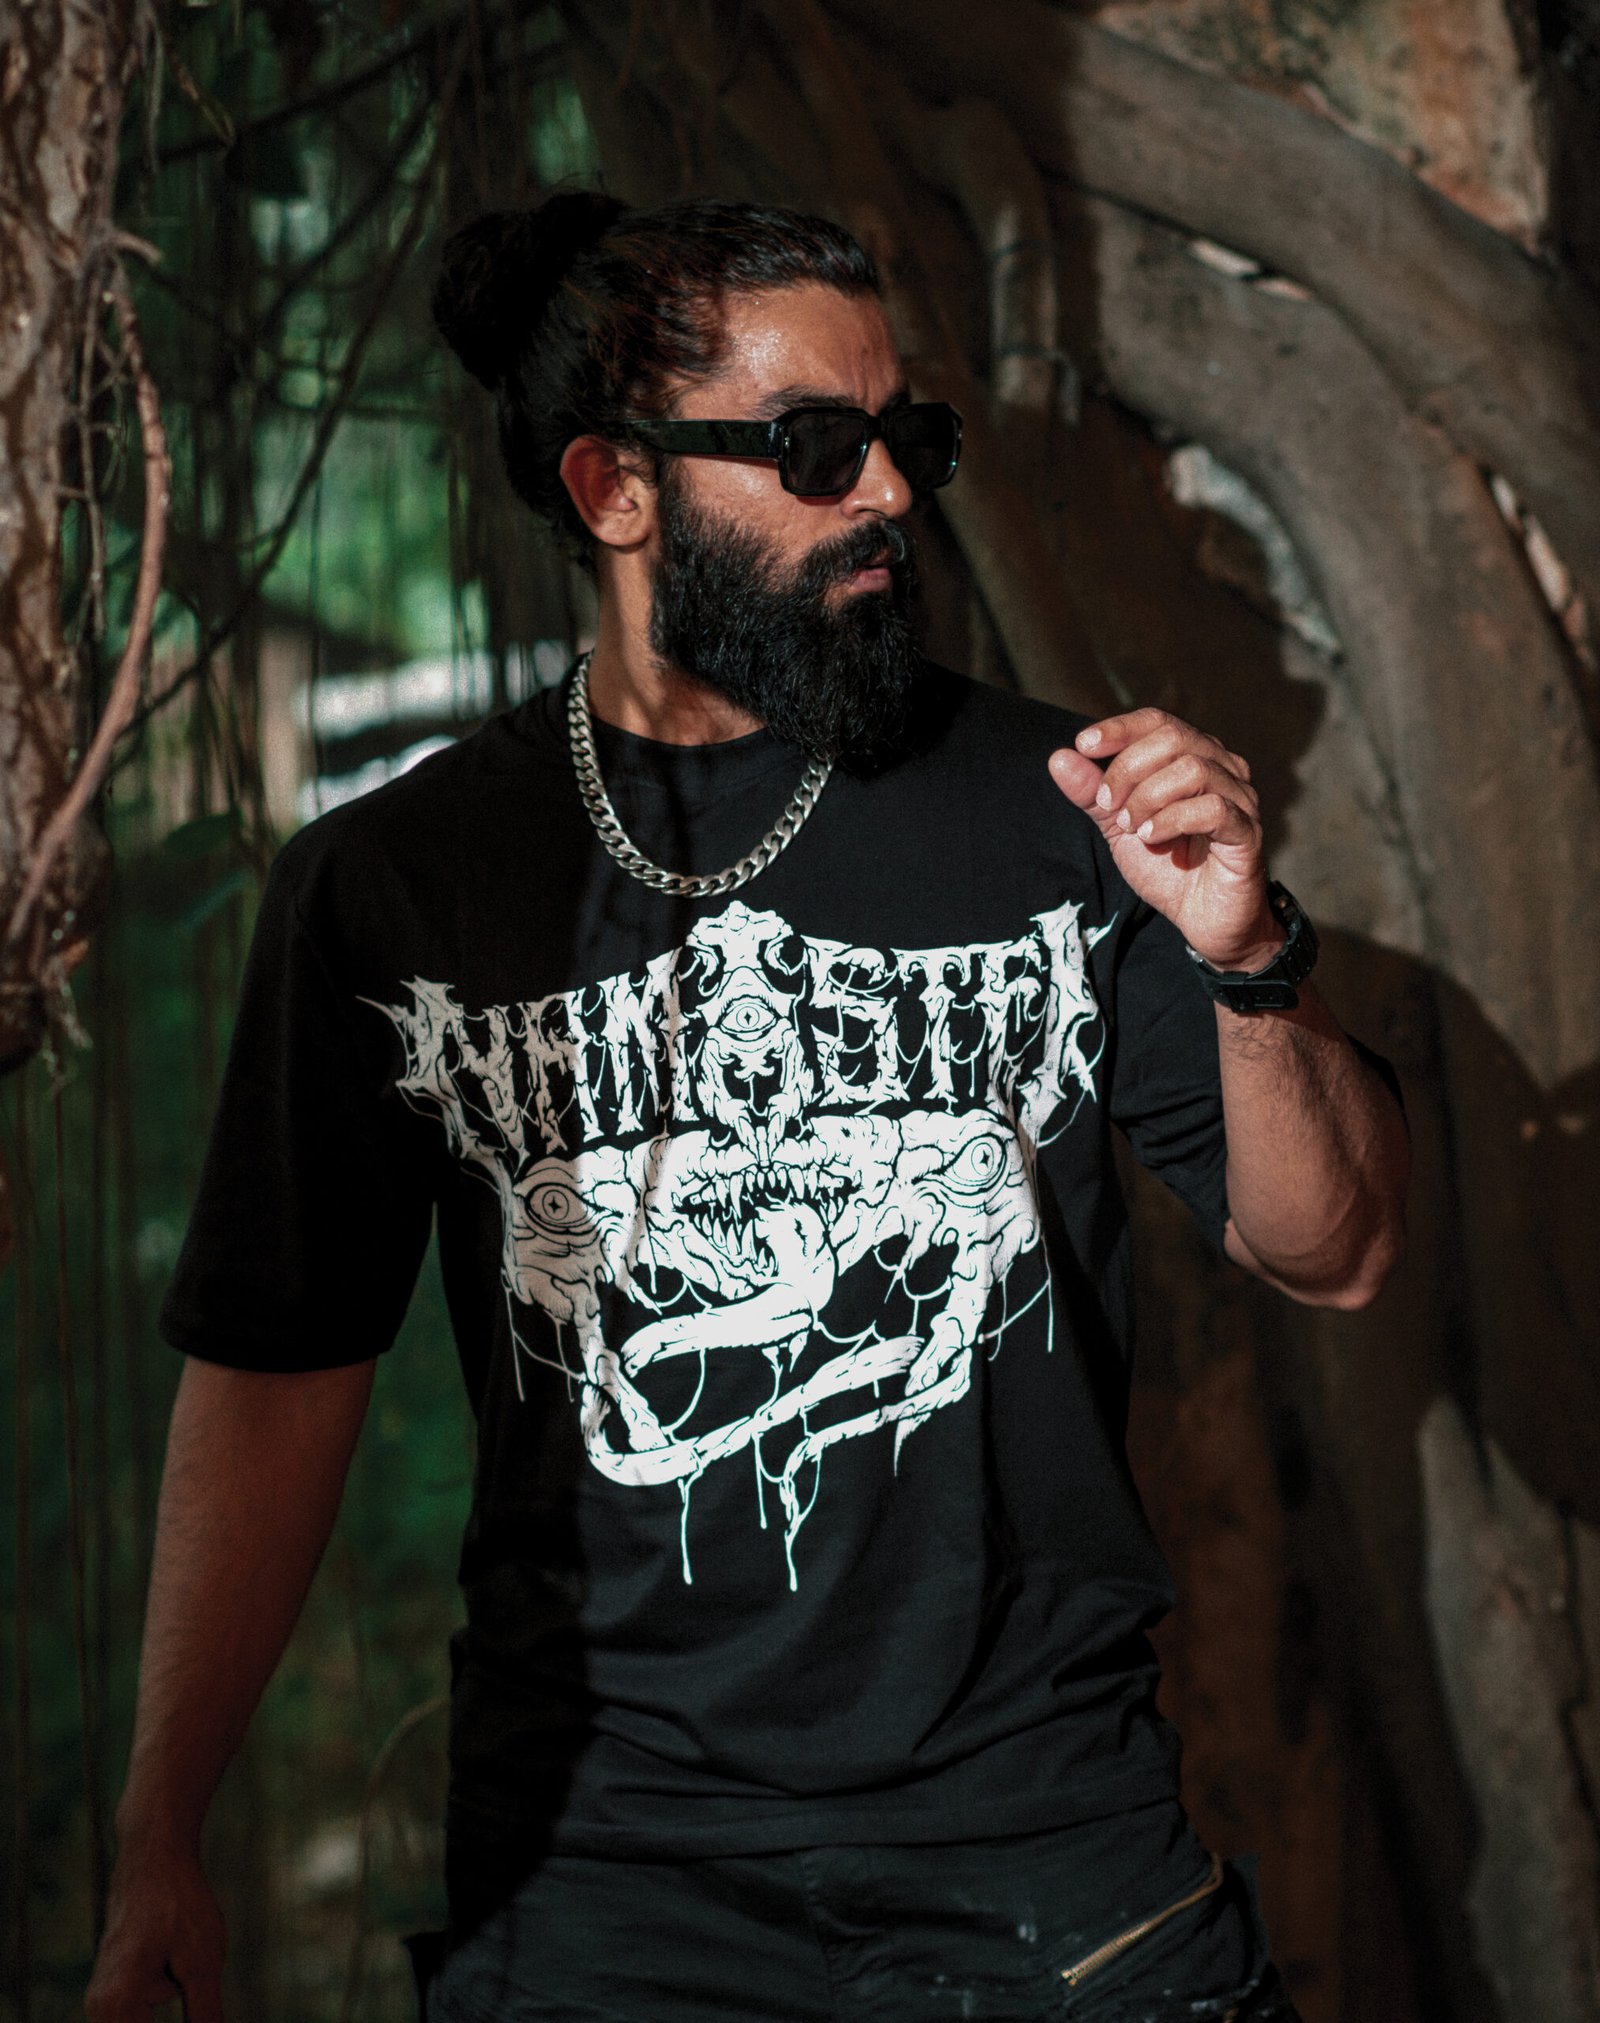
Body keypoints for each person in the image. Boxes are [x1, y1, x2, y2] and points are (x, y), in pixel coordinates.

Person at [86, 191, 1408, 2023]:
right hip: (599, 1885)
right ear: (614, 488)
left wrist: (1247, 957)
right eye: (814, 447)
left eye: (903, 436)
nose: (890, 491)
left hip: (1045, 1856)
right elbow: (274, 1377)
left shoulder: (1064, 813)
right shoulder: (394, 887)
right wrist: (161, 1828)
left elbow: (1337, 1252)